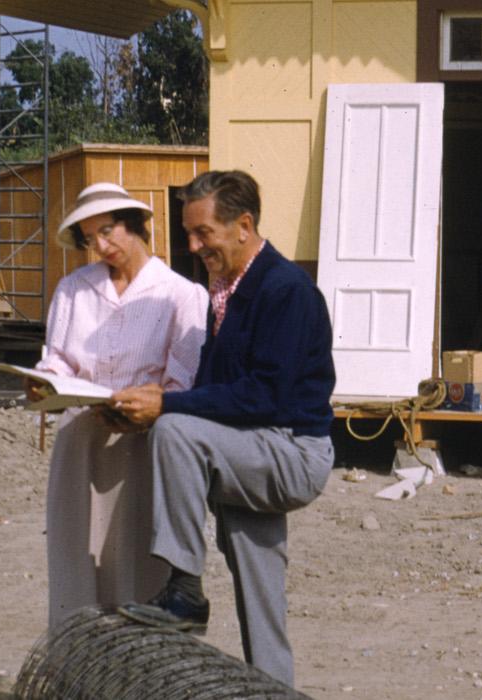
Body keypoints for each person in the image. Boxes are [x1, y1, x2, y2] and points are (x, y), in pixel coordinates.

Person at [108, 170, 336, 685]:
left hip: (291, 451)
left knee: (175, 430)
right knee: (261, 595)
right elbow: (214, 386)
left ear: (243, 225)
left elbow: (266, 396)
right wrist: (141, 404)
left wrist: (167, 407)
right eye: (189, 233)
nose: (192, 245)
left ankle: (185, 590)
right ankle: (275, 690)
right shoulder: (229, 288)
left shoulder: (285, 291)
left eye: (202, 233)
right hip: (248, 448)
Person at [34, 182, 208, 627]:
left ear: (135, 227)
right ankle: (78, 658)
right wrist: (44, 384)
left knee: (133, 553)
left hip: (141, 442)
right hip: (82, 438)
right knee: (77, 550)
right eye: (91, 238)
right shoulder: (74, 289)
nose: (102, 245)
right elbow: (57, 359)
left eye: (109, 231)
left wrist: (147, 405)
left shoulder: (179, 293)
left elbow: (183, 379)